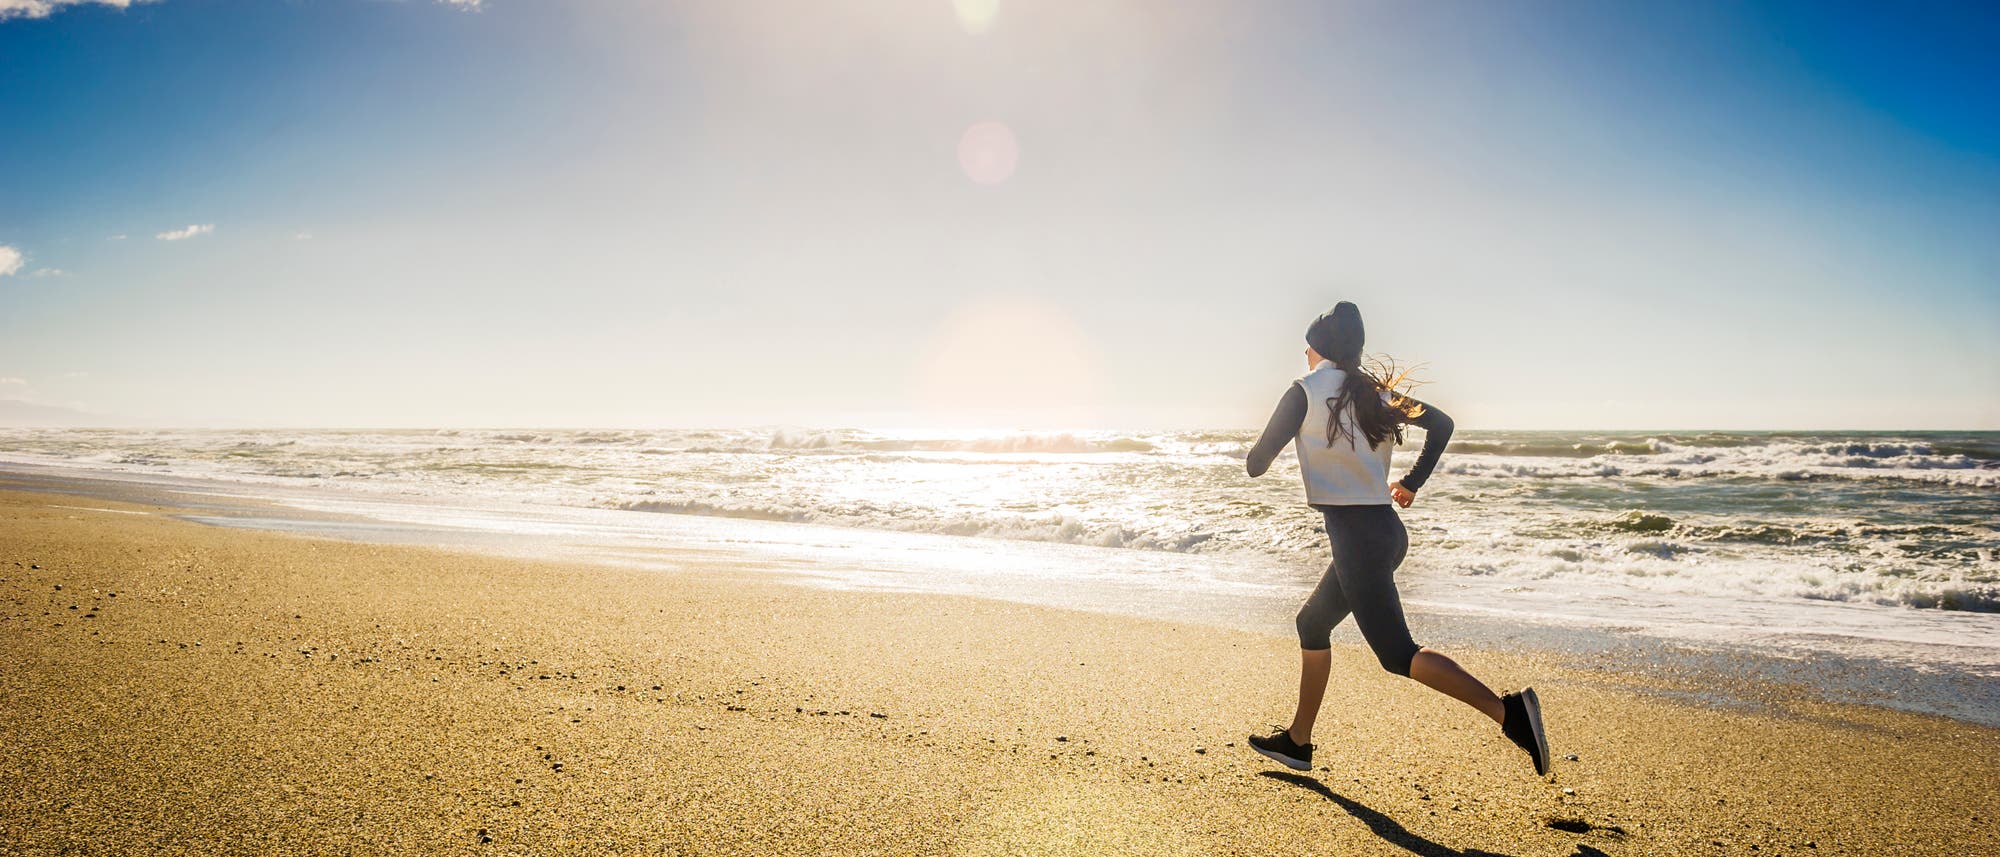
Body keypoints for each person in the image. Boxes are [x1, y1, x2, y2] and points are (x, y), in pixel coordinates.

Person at [1242, 301, 1550, 777]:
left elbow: (1256, 464)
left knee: (1398, 654)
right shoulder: (1376, 393)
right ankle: (1298, 742)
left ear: (1318, 348)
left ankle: (1509, 714)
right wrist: (1411, 482)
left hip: (1358, 540)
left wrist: (1286, 433)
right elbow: (1442, 424)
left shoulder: (1303, 391)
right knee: (1312, 624)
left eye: (1307, 345)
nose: (1304, 353)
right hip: (1382, 531)